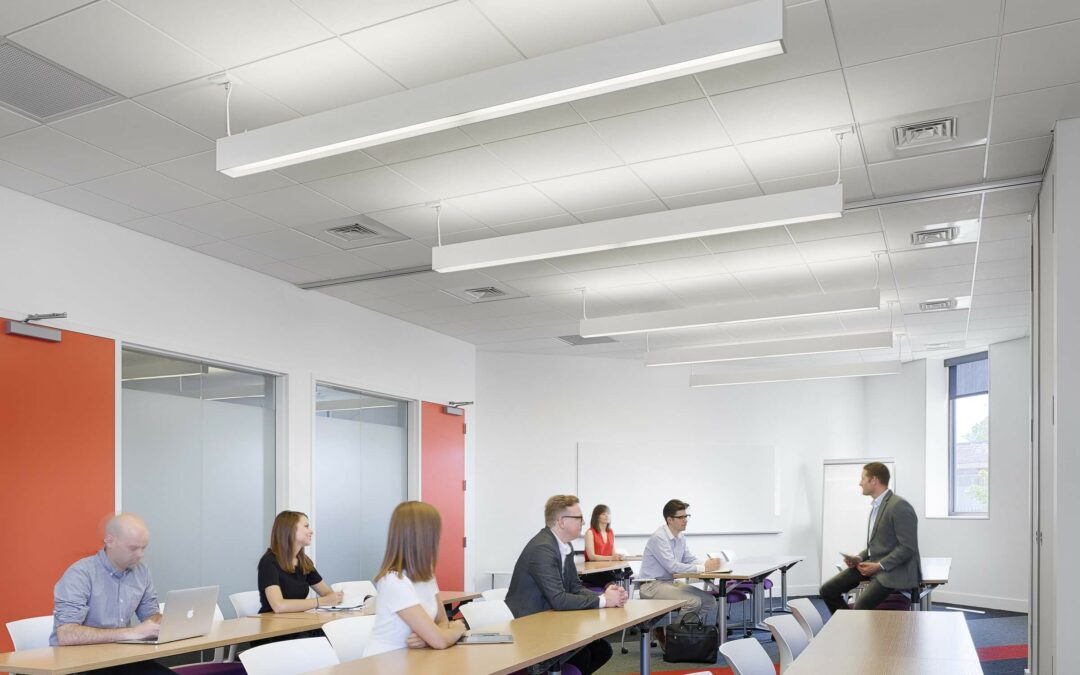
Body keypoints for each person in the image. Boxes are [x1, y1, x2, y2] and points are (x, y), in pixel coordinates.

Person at [506, 495, 628, 675]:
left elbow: (575, 587)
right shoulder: (543, 548)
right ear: (562, 522)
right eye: (578, 518)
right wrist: (604, 600)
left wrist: (609, 596)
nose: (583, 522)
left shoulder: (564, 546)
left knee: (600, 651)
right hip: (528, 628)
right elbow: (558, 599)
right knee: (586, 654)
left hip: (549, 620)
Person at [51, 513, 170, 675]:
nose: (140, 554)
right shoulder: (80, 574)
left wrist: (166, 623)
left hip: (120, 658)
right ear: (109, 540)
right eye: (133, 548)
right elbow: (66, 634)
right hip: (80, 665)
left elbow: (150, 615)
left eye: (144, 547)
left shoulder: (141, 572)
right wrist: (131, 633)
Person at [364, 501, 466, 656]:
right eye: (435, 533)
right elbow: (440, 641)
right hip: (386, 660)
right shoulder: (393, 581)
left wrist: (428, 639)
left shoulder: (426, 575)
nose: (438, 539)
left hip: (417, 657)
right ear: (423, 537)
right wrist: (458, 629)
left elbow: (442, 622)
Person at [819, 462, 921, 614]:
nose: (860, 483)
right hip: (875, 565)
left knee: (860, 607)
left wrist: (879, 566)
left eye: (863, 478)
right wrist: (859, 558)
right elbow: (876, 545)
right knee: (827, 590)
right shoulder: (877, 507)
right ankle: (847, 624)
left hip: (895, 570)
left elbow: (908, 547)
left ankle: (851, 625)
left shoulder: (899, 506)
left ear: (874, 480)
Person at [639, 499, 722, 648]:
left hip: (669, 584)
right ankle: (673, 637)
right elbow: (673, 567)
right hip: (651, 586)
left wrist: (706, 565)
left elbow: (689, 558)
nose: (685, 520)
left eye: (686, 516)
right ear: (669, 519)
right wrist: (703, 568)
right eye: (681, 517)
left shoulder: (680, 536)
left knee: (709, 601)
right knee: (693, 601)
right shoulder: (659, 537)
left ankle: (669, 631)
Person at [258, 510, 343, 614]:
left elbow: (328, 594)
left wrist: (335, 597)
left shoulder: (304, 562)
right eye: (306, 526)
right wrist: (320, 601)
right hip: (274, 622)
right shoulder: (268, 562)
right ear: (290, 530)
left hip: (298, 620)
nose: (311, 531)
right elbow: (279, 606)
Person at [580, 504, 625, 588]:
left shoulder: (610, 532)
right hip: (593, 571)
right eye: (603, 514)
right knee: (611, 581)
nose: (607, 516)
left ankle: (616, 592)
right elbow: (591, 557)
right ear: (597, 517)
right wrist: (611, 558)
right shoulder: (590, 532)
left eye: (608, 513)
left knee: (619, 575)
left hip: (607, 569)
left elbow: (613, 554)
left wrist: (617, 556)